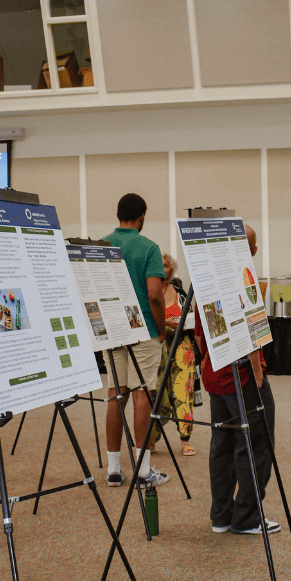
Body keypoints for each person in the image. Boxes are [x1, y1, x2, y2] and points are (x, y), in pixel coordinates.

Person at [194, 225, 279, 535]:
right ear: (246, 249)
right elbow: (251, 329)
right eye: (251, 246)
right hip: (242, 375)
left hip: (215, 373)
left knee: (223, 444)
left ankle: (221, 516)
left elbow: (202, 330)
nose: (252, 251)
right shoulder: (244, 278)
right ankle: (246, 518)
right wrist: (257, 374)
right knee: (256, 445)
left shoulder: (204, 276)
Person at [102, 193, 169, 487]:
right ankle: (142, 470)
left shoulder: (101, 245)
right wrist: (160, 327)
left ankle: (113, 469)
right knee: (142, 393)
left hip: (111, 328)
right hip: (142, 328)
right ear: (141, 217)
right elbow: (154, 294)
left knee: (117, 395)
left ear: (119, 215)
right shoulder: (149, 247)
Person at [144, 253, 198, 456]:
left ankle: (185, 440)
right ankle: (151, 439)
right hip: (157, 347)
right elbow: (142, 318)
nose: (163, 269)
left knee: (184, 392)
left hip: (182, 347)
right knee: (157, 394)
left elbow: (190, 315)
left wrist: (186, 323)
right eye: (160, 265)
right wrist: (165, 323)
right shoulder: (146, 293)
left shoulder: (180, 292)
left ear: (171, 269)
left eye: (166, 265)